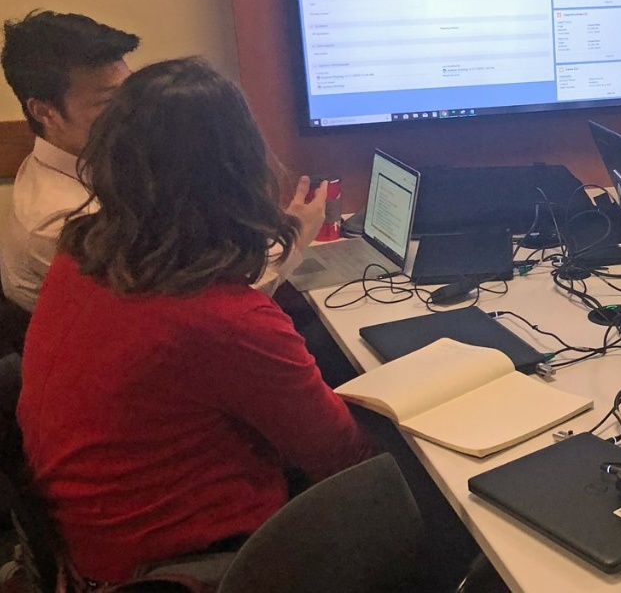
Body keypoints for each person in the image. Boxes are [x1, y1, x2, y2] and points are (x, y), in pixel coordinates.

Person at [17, 58, 375, 586]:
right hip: (182, 570)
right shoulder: (223, 320)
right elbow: (343, 458)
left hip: (94, 543)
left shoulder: (82, 254)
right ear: (240, 173)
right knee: (420, 484)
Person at [0, 10, 324, 311]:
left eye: (130, 94)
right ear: (44, 111)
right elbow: (194, 313)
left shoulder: (94, 162)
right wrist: (294, 240)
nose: (131, 113)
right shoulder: (60, 224)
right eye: (110, 102)